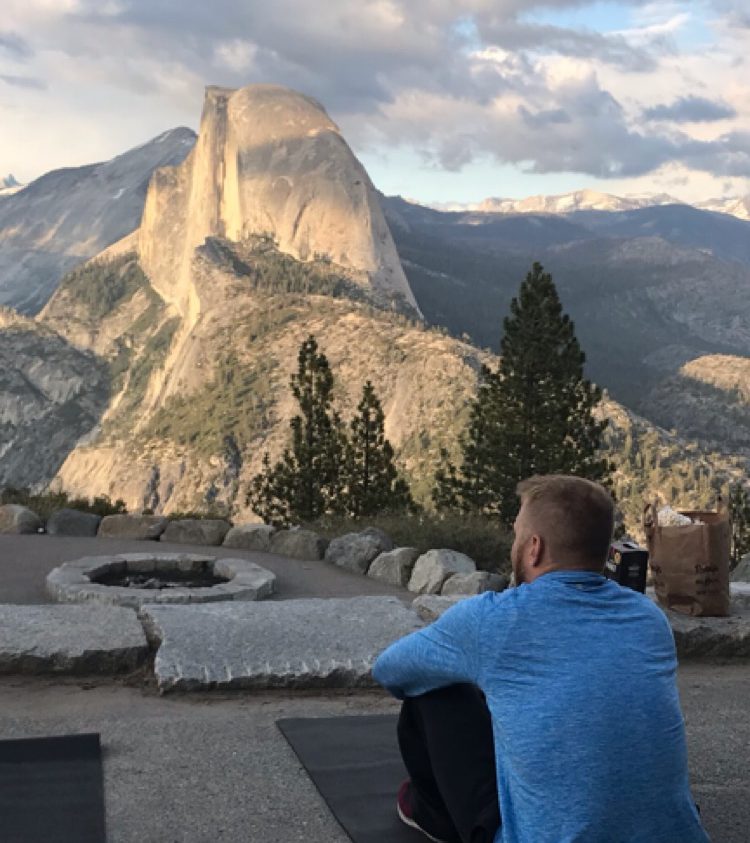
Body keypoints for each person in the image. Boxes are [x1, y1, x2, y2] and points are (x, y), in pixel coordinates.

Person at [372, 474, 709, 843]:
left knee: (435, 693)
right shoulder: (648, 619)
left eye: (517, 534)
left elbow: (391, 671)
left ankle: (431, 816)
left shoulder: (494, 621)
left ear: (534, 548)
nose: (514, 543)